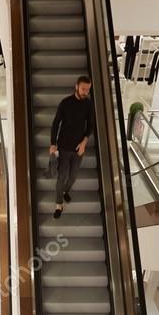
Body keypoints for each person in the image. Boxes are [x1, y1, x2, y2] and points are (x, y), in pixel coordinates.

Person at [49, 75, 94, 218]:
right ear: (76, 86)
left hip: (78, 148)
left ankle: (65, 191)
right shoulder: (65, 103)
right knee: (61, 176)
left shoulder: (88, 103)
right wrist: (53, 144)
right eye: (83, 89)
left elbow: (91, 125)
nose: (85, 92)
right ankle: (58, 204)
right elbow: (56, 124)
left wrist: (84, 142)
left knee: (73, 176)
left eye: (87, 89)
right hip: (63, 147)